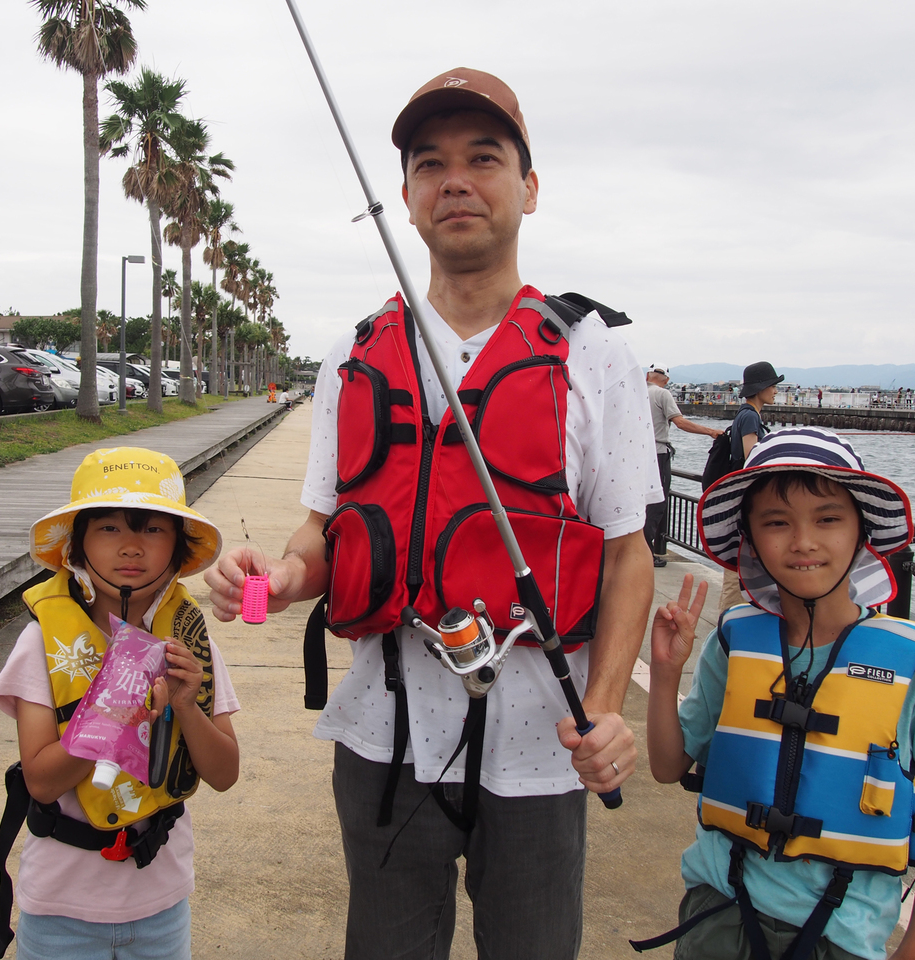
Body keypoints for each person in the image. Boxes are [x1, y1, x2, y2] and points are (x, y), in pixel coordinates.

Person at [206, 67, 652, 960]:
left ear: (528, 187)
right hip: (382, 734)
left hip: (540, 747)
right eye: (429, 163)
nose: (455, 180)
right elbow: (324, 530)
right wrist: (284, 578)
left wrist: (602, 709)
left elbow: (627, 556)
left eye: (484, 158)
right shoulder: (353, 356)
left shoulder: (595, 355)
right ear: (406, 200)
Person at [644, 427, 915, 960]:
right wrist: (665, 675)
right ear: (749, 538)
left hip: (843, 934)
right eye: (776, 523)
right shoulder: (734, 639)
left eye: (828, 519)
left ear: (862, 531)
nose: (803, 542)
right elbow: (666, 765)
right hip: (718, 912)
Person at [0, 447, 241, 960]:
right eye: (107, 528)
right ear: (77, 546)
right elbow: (41, 780)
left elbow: (225, 772)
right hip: (60, 907)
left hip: (161, 903)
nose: (130, 546)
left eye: (152, 530)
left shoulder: (191, 645)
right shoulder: (42, 642)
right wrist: (115, 708)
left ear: (177, 548)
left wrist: (187, 706)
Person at [717, 361, 782, 614]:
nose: (776, 391)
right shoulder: (750, 417)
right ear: (761, 388)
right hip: (745, 500)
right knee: (738, 568)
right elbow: (752, 458)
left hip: (739, 498)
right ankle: (728, 625)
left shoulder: (744, 415)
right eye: (773, 386)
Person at [645, 365, 722, 567]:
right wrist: (711, 432)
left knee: (640, 504)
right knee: (656, 504)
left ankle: (636, 549)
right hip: (658, 453)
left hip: (637, 454)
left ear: (647, 375)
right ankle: (646, 553)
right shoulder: (662, 394)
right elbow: (680, 423)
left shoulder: (637, 392)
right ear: (667, 379)